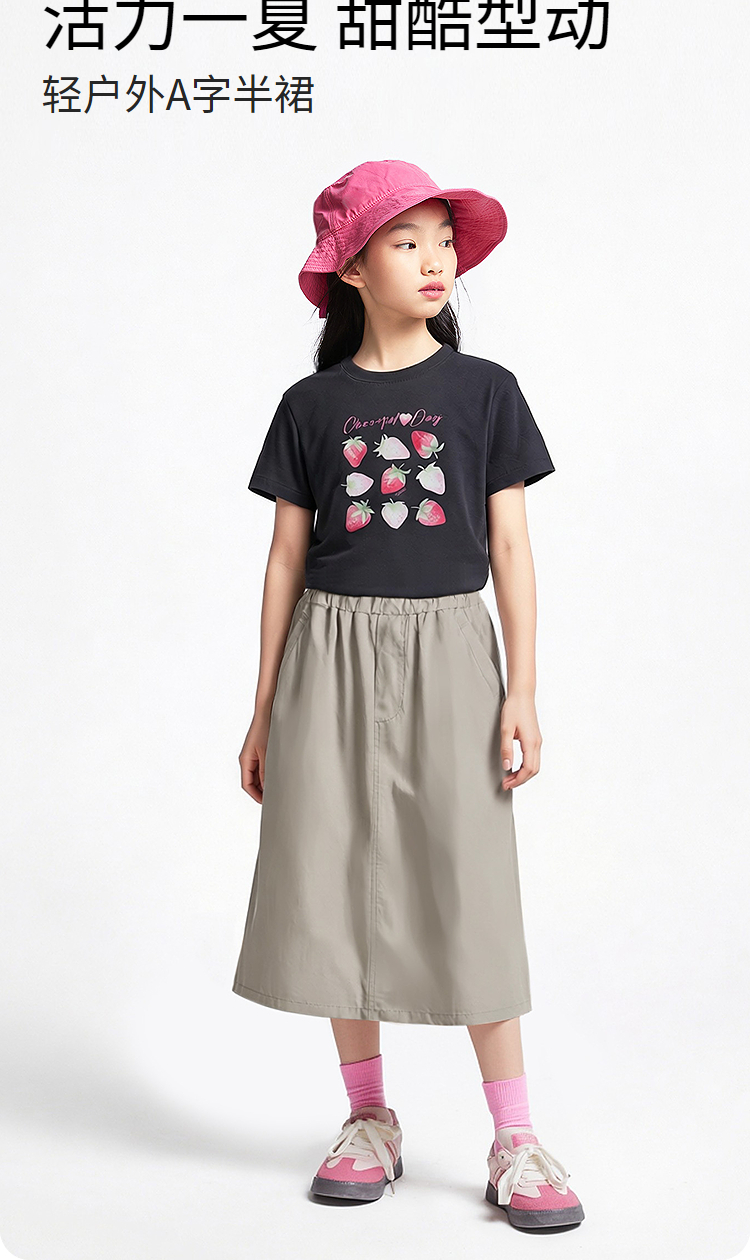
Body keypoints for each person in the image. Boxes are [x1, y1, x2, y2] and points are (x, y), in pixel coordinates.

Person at [233, 159, 584, 1230]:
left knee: (469, 879)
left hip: (449, 649)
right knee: (334, 874)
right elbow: (285, 559)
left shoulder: (486, 392)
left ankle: (515, 1134)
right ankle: (369, 1118)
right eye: (406, 241)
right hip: (328, 653)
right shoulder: (310, 407)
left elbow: (512, 547)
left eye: (443, 241)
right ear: (350, 268)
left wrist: (523, 690)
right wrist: (263, 707)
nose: (436, 261)